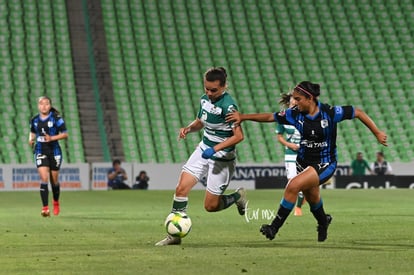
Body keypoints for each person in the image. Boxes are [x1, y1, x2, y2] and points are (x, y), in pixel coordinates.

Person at [226, 81, 387, 242]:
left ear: (309, 98)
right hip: (302, 161)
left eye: (298, 99)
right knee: (313, 197)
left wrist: (377, 132)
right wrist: (243, 117)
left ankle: (274, 227)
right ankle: (324, 221)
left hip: (325, 163)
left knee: (293, 186)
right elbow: (270, 116)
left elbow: (358, 112)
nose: (294, 102)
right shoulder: (294, 113)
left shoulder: (330, 113)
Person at [155, 67, 247, 246]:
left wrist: (215, 149)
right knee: (181, 189)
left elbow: (239, 136)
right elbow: (200, 122)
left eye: (214, 90)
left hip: (222, 158)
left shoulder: (228, 107)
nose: (209, 93)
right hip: (203, 149)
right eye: (207, 89)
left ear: (224, 87)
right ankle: (174, 236)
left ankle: (238, 197)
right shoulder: (204, 100)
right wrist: (188, 128)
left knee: (210, 206)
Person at [29, 96, 68, 217]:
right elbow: (32, 132)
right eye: (41, 104)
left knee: (54, 181)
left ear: (50, 105)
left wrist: (52, 138)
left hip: (54, 150)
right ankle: (45, 208)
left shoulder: (57, 119)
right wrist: (30, 139)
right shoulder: (34, 119)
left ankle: (55, 202)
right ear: (38, 106)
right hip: (40, 150)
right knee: (44, 178)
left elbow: (65, 134)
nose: (44, 106)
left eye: (46, 104)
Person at [275, 93, 305, 216]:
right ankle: (293, 207)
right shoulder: (283, 117)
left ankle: (298, 208)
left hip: (304, 155)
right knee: (292, 182)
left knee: (302, 183)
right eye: (293, 101)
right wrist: (289, 145)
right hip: (290, 154)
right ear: (289, 102)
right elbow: (279, 136)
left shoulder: (305, 115)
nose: (295, 103)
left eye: (297, 101)